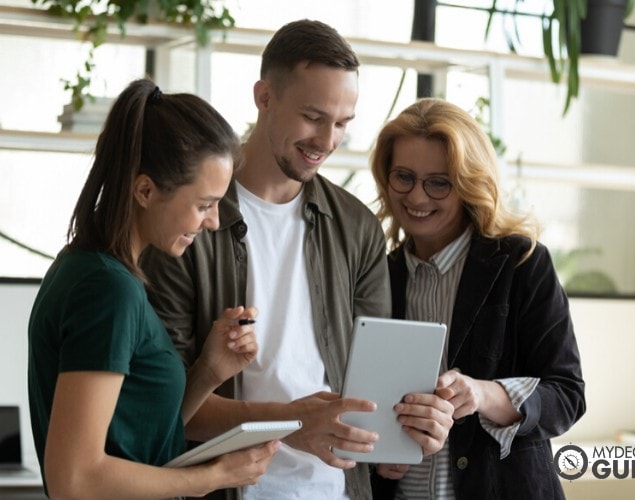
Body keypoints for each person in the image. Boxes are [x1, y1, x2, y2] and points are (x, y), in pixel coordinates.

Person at [139, 20, 453, 500]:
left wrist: (408, 434)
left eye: (343, 123)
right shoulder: (187, 224)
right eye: (313, 116)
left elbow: (375, 393)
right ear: (264, 96)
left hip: (338, 490)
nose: (327, 140)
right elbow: (166, 410)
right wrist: (291, 424)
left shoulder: (357, 229)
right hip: (224, 489)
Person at [27, 78, 280, 500]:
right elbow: (74, 478)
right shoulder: (108, 290)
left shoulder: (92, 270)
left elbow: (136, 438)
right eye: (204, 204)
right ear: (145, 190)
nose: (214, 222)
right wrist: (213, 476)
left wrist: (207, 372)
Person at [368, 98, 586, 499]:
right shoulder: (377, 275)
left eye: (438, 182)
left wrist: (484, 394)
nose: (417, 197)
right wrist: (376, 457)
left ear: (468, 184)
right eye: (404, 177)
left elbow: (567, 395)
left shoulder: (520, 264)